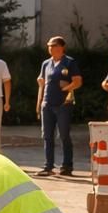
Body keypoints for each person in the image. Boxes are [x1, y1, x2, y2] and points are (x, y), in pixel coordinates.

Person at [37, 36, 82, 175]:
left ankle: (67, 166)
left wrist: (66, 88)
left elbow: (78, 81)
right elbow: (41, 84)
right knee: (47, 135)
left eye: (53, 45)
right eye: (49, 45)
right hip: (47, 103)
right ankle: (48, 166)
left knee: (63, 135)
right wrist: (39, 103)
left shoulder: (69, 62)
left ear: (61, 47)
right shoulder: (46, 63)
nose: (50, 48)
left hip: (63, 104)